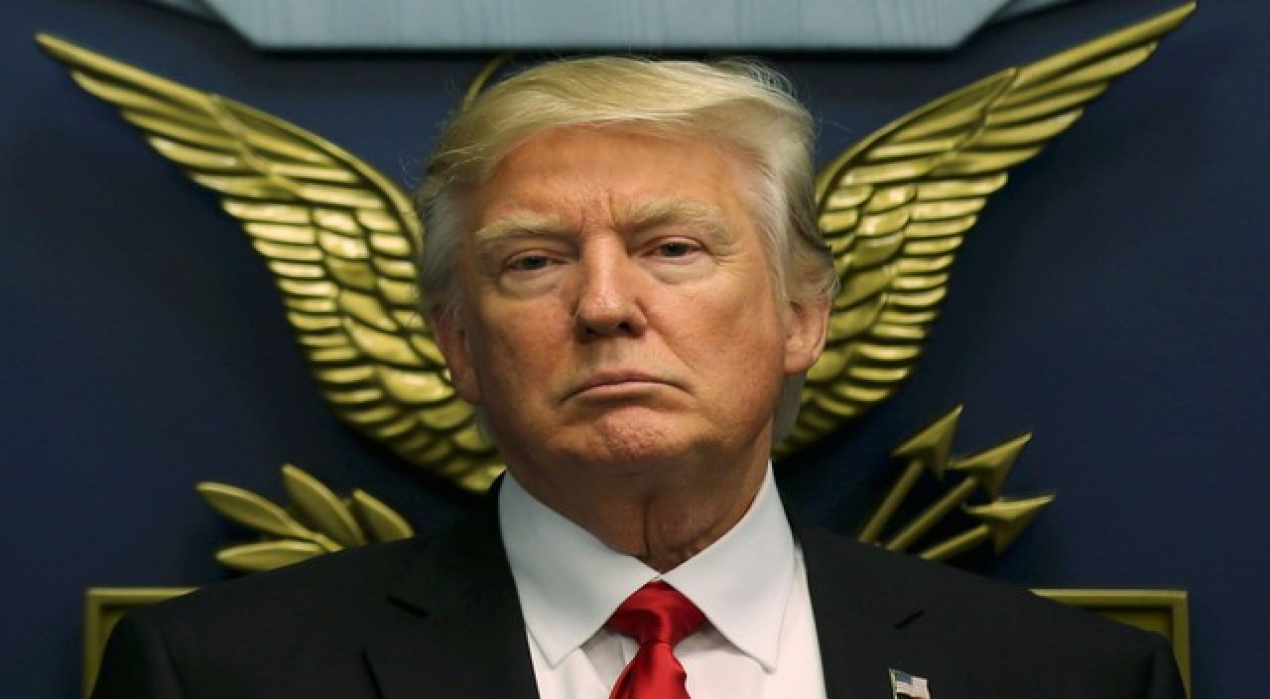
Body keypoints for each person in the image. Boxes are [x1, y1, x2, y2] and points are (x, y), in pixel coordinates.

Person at [91, 57, 1186, 699]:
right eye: (533, 261)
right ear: (457, 344)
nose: (605, 304)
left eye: (673, 248)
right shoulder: (218, 676)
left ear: (802, 315)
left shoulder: (1067, 680)